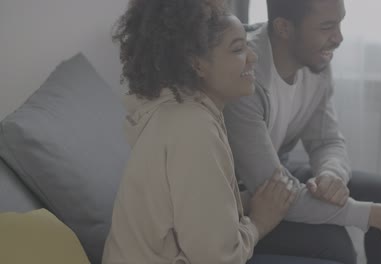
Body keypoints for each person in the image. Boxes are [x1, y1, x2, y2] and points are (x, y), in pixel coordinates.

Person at [100, 0, 333, 263]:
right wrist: (259, 221)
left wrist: (247, 202)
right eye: (237, 49)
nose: (253, 57)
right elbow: (218, 258)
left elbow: (190, 208)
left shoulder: (186, 112)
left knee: (331, 243)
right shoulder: (193, 129)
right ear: (197, 64)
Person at [223, 1, 381, 264]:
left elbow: (327, 140)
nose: (338, 38)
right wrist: (379, 216)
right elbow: (271, 190)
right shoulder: (243, 74)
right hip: (245, 199)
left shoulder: (315, 61)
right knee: (338, 247)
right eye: (327, 27)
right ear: (284, 28)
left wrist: (331, 174)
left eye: (340, 23)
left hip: (278, 174)